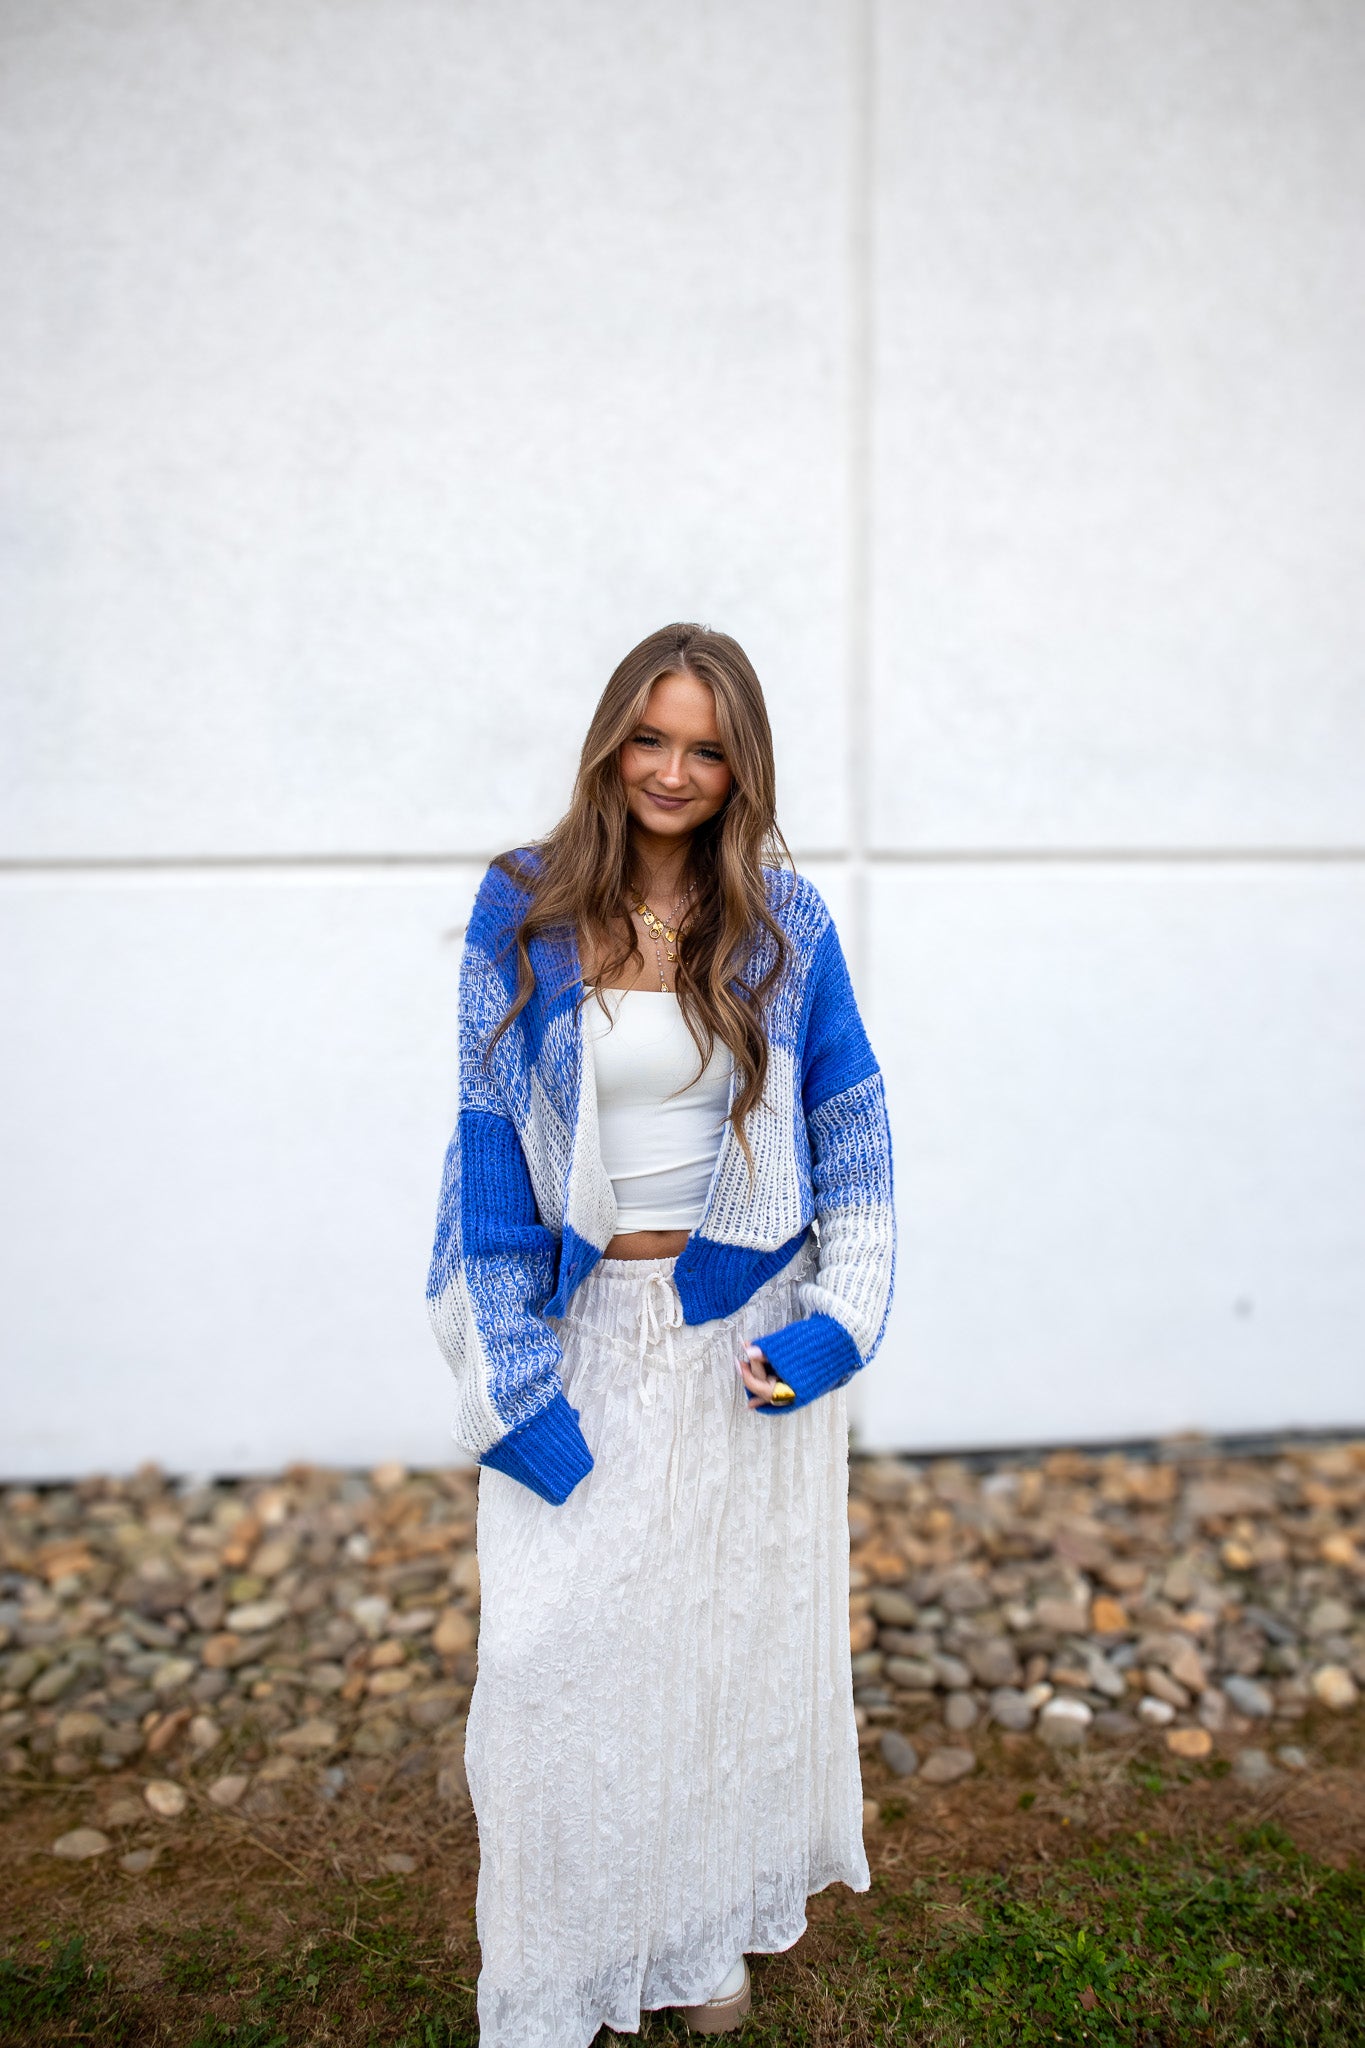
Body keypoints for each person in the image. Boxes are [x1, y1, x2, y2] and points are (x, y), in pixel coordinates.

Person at [425, 622, 896, 2044]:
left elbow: (855, 1143)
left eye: (705, 746)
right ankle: (565, 1965)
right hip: (583, 1333)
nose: (674, 771)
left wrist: (836, 1328)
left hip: (739, 1341)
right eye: (651, 738)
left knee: (714, 1651)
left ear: (739, 762)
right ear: (609, 743)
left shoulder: (783, 925)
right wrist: (506, 1379)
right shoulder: (522, 907)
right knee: (550, 1656)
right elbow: (485, 1165)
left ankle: (692, 1940)